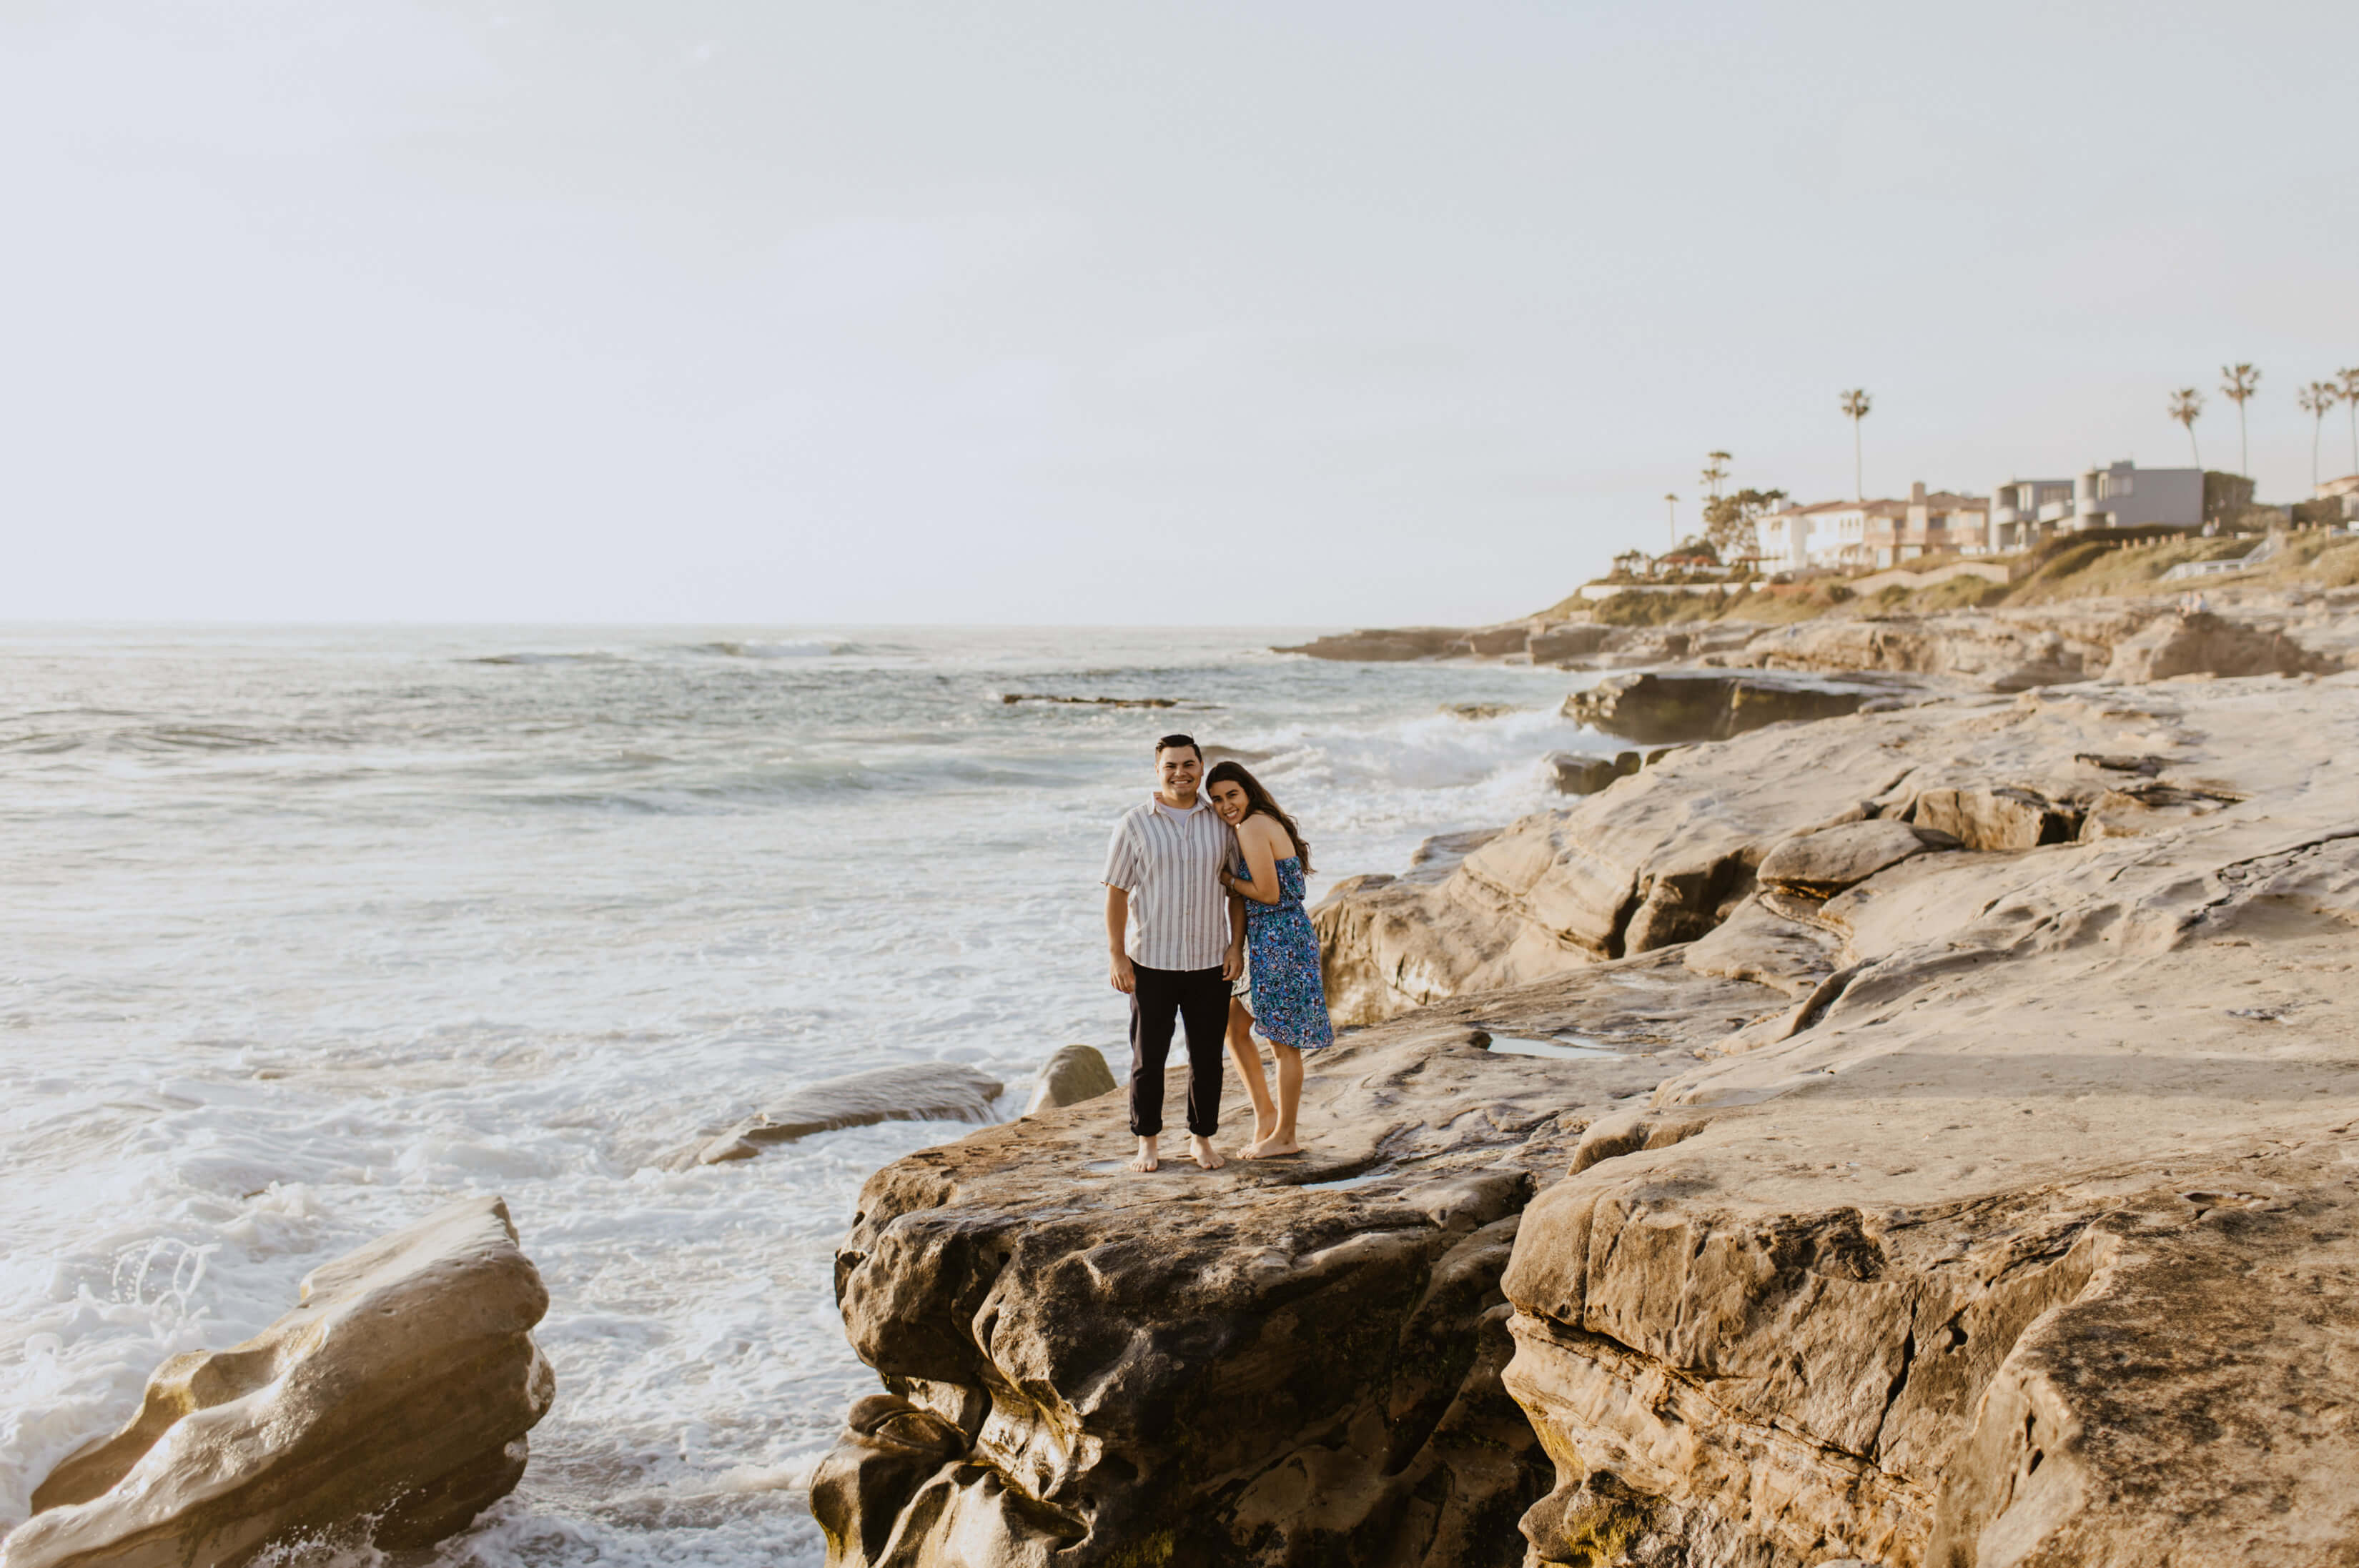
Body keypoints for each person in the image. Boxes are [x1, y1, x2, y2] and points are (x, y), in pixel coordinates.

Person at [1102, 734, 1245, 1173]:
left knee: (1206, 1058)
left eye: (1188, 764)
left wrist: (1236, 947)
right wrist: (1117, 956)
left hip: (1209, 961)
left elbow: (1236, 891)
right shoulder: (1134, 824)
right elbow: (1116, 893)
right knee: (1149, 1059)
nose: (1180, 773)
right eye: (1170, 766)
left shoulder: (1222, 823)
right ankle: (1147, 1142)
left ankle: (1201, 1139)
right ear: (1157, 770)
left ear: (1201, 767)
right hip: (1151, 962)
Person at [1204, 760, 1333, 1158]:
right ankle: (1265, 1115)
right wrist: (1236, 947)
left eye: (1232, 795)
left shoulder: (1254, 825)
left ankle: (1286, 1136)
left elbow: (1268, 893)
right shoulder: (1250, 825)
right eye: (1216, 800)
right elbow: (1251, 899)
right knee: (1234, 1028)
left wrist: (1226, 879)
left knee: (1283, 1045)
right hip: (1267, 939)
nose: (1226, 805)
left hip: (1280, 939)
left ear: (1249, 791)